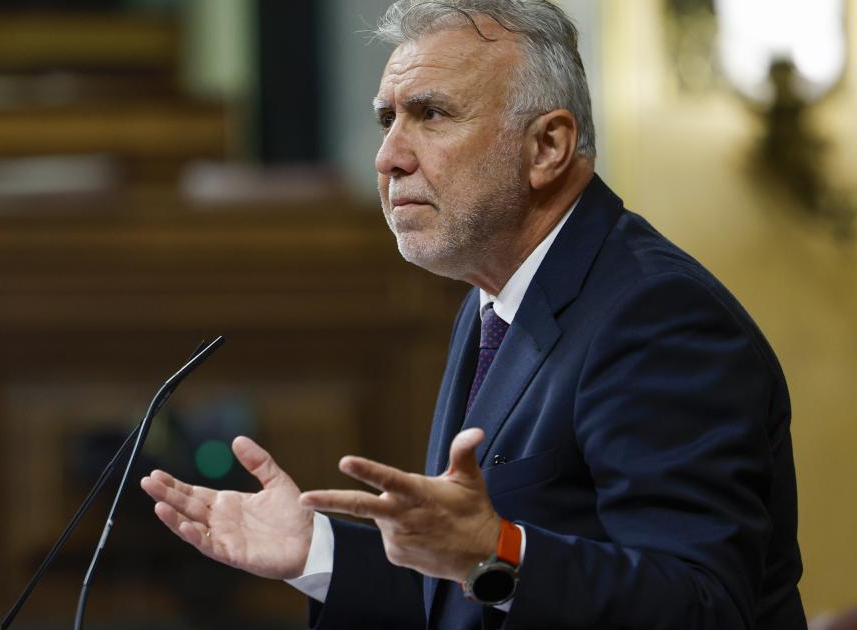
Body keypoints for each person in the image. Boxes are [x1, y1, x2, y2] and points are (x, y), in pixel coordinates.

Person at [140, 1, 808, 628]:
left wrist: (496, 550)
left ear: (546, 146)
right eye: (386, 119)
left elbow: (705, 605)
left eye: (431, 115)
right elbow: (468, 595)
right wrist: (316, 551)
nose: (388, 157)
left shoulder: (659, 318)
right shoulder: (491, 299)